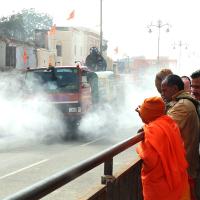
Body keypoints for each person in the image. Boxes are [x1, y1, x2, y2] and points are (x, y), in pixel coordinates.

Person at [136, 96, 190, 200]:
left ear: (148, 114)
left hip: (161, 187)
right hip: (178, 179)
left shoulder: (152, 130)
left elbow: (149, 158)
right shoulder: (169, 122)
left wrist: (139, 147)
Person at [161, 74, 200, 200]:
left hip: (184, 170)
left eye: (164, 90)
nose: (162, 94)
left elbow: (162, 128)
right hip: (184, 169)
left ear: (175, 88)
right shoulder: (181, 102)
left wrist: (146, 117)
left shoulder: (183, 105)